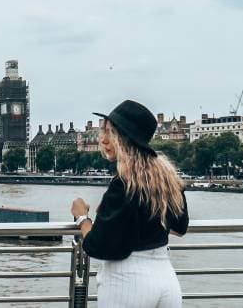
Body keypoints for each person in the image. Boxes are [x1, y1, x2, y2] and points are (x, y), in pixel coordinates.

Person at [70, 100, 189, 308]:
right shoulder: (167, 178)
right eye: (103, 131)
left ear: (126, 139)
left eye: (111, 133)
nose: (104, 140)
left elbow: (96, 246)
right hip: (165, 278)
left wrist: (82, 218)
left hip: (128, 281)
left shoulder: (123, 183)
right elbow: (179, 228)